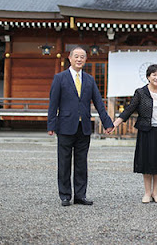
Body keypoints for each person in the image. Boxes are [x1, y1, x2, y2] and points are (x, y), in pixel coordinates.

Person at [47, 46, 114, 207]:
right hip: (65, 126)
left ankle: (80, 195)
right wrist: (51, 124)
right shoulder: (60, 78)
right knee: (64, 162)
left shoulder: (89, 79)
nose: (79, 59)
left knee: (81, 162)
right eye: (76, 56)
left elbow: (98, 102)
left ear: (85, 60)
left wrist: (107, 123)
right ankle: (65, 195)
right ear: (69, 58)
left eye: (82, 57)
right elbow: (53, 104)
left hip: (83, 126)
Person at [112, 64, 157, 203]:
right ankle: (147, 193)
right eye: (154, 75)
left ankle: (156, 193)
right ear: (148, 77)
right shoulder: (140, 92)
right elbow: (130, 109)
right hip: (146, 131)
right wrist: (115, 124)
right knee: (147, 162)